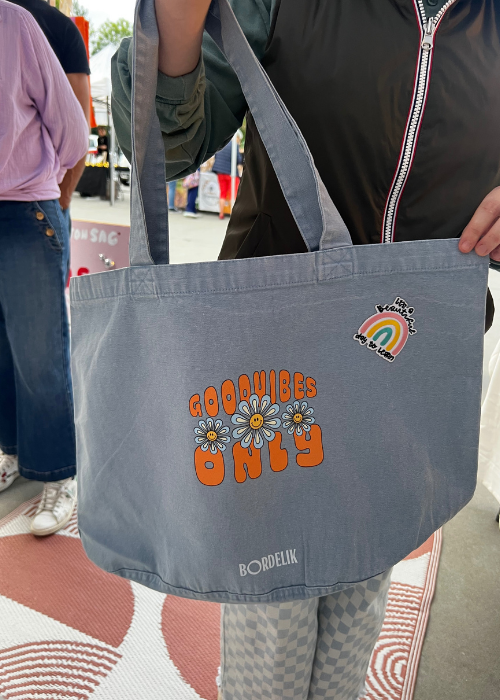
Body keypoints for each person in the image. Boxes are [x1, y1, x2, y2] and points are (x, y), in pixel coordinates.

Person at [111, 0, 500, 698]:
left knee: (363, 582)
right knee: (273, 604)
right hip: (276, 358)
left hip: (413, 363)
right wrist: (176, 24)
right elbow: (164, 143)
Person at [0, 0, 88, 536]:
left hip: (24, 209)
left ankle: (59, 475)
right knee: (1, 351)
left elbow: (74, 131)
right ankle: (11, 451)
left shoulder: (16, 24)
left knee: (40, 356)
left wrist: (50, 193)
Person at [9, 0, 91, 230]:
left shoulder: (58, 27)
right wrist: (62, 199)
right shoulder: (60, 26)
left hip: (38, 200)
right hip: (38, 202)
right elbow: (79, 129)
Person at [212, 139, 243, 219]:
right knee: (233, 194)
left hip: (220, 172)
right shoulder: (235, 145)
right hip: (231, 173)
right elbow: (239, 160)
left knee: (222, 193)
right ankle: (233, 215)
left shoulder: (221, 143)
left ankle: (221, 214)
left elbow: (216, 156)